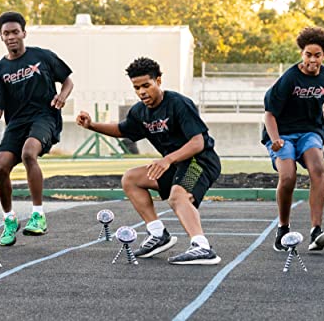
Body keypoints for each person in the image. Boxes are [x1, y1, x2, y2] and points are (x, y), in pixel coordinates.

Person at [76, 57, 221, 265]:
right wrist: (92, 125)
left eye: (146, 85)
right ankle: (158, 234)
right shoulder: (139, 111)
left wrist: (167, 160)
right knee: (131, 179)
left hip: (200, 161)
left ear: (158, 81)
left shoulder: (179, 104)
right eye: (137, 88)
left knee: (177, 197)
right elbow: (121, 130)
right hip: (175, 164)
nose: (142, 92)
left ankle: (202, 247)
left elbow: (197, 142)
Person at [0, 11, 73, 246]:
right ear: (1, 37)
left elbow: (68, 80)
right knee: (1, 167)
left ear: (24, 33)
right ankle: (9, 219)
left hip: (44, 116)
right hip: (16, 123)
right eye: (6, 33)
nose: (11, 37)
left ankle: (38, 215)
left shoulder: (42, 56)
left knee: (28, 153)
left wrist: (62, 96)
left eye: (15, 32)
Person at [262, 26, 324, 252]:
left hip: (310, 132)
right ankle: (283, 229)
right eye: (308, 54)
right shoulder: (289, 78)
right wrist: (275, 139)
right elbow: (269, 113)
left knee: (318, 169)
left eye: (317, 55)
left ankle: (316, 230)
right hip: (282, 132)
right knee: (288, 177)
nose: (312, 59)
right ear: (301, 54)